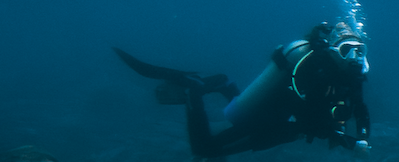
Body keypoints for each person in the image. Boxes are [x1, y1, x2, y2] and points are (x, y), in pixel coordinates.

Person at [113, 22, 371, 160]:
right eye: (348, 49)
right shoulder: (315, 65)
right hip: (270, 120)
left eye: (360, 51)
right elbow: (311, 112)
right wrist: (338, 134)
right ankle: (193, 90)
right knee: (205, 150)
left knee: (226, 132)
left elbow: (359, 107)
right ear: (335, 48)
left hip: (283, 126)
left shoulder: (352, 76)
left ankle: (224, 84)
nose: (355, 58)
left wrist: (362, 137)